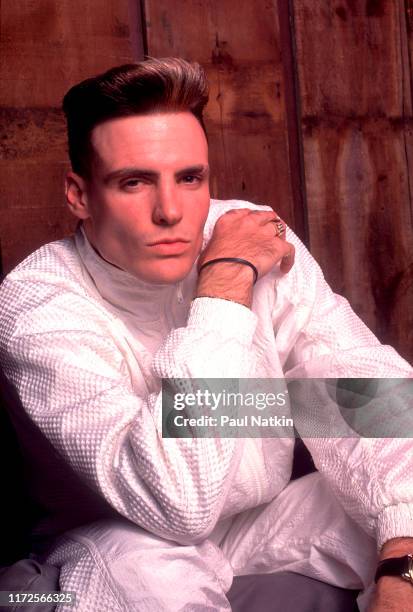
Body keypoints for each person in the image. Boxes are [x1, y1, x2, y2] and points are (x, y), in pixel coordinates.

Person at [0, 57, 412, 612]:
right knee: (138, 569)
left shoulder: (244, 230)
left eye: (190, 178)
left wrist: (403, 562)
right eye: (133, 182)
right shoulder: (37, 302)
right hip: (126, 537)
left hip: (258, 521)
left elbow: (362, 393)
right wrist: (222, 289)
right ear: (78, 194)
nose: (171, 212)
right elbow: (178, 504)